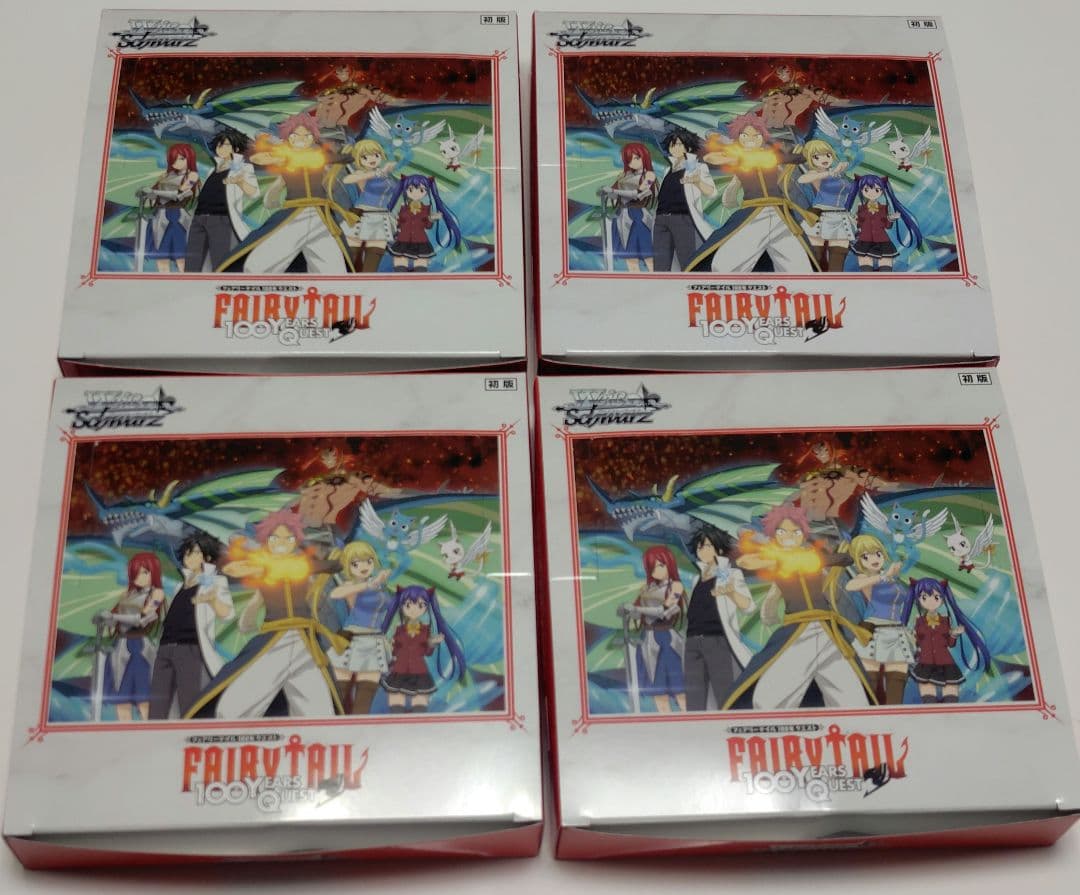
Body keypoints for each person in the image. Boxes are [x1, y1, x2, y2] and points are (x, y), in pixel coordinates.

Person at [148, 534, 233, 719]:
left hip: (190, 648)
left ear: (207, 557)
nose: (190, 557)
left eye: (195, 553)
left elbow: (227, 614)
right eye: (187, 553)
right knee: (157, 706)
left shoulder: (215, 582)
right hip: (165, 648)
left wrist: (212, 599)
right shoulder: (179, 585)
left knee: (189, 704)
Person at [683, 526, 754, 711]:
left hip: (716, 640)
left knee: (724, 695)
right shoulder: (696, 578)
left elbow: (748, 606)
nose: (703, 551)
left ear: (719, 549)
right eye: (700, 547)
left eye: (708, 546)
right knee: (694, 699)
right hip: (692, 641)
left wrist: (730, 592)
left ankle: (727, 726)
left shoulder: (728, 574)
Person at [184, 129, 259, 271]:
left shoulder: (243, 168)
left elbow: (254, 193)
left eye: (226, 145)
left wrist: (240, 182)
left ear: (236, 148)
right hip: (199, 218)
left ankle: (219, 283)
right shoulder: (212, 169)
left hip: (221, 218)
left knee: (219, 261)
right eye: (219, 145)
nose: (221, 148)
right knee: (192, 262)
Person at [651, 127, 715, 271]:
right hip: (661, 219)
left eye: (679, 144)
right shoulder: (667, 170)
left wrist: (697, 182)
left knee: (687, 262)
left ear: (689, 147)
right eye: (672, 145)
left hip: (682, 218)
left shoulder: (698, 168)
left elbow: (711, 193)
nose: (675, 148)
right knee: (660, 266)